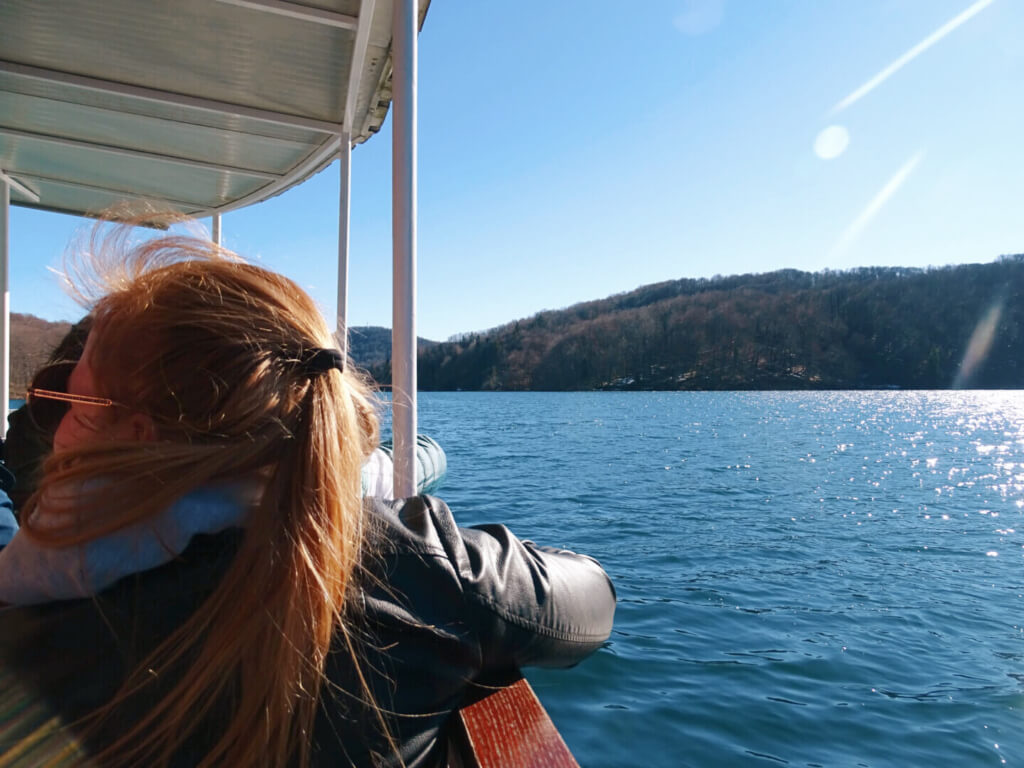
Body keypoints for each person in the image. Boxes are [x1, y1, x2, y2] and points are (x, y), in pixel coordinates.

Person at [0, 229, 615, 767]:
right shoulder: (412, 572)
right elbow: (594, 599)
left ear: (138, 437)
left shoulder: (29, 626)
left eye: (66, 400)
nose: (53, 425)